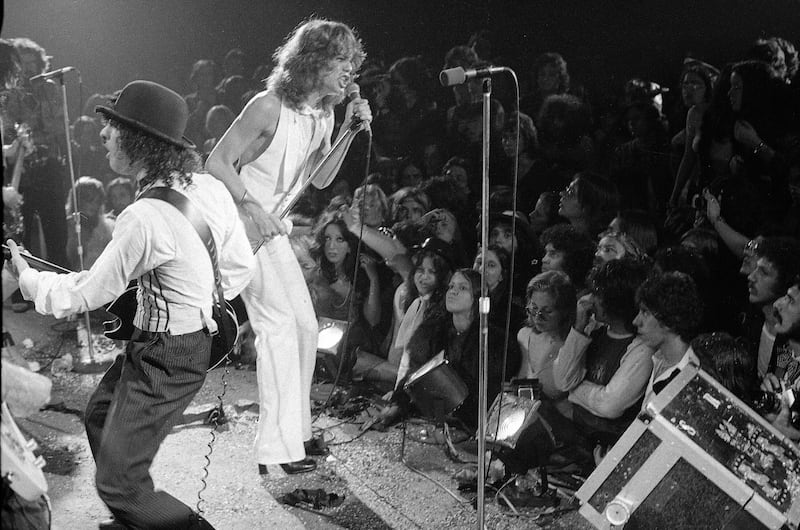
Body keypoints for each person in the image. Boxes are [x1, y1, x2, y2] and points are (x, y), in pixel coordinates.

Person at [6, 79, 254, 529]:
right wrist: (197, 300)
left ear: (139, 141)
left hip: (167, 355)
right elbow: (239, 268)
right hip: (183, 342)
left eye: (113, 127)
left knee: (118, 483)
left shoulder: (141, 217)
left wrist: (26, 277)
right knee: (99, 414)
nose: (102, 135)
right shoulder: (207, 188)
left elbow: (86, 294)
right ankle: (139, 517)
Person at [205, 18, 372, 475]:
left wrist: (350, 133)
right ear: (312, 61)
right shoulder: (267, 106)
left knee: (303, 326)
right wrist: (252, 207)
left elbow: (319, 178)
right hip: (238, 226)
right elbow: (216, 161)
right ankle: (276, 451)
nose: (348, 71)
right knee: (279, 326)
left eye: (351, 63)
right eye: (340, 61)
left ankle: (296, 434)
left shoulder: (324, 115)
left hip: (270, 230)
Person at [633, 271, 704, 407]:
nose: (635, 321)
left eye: (645, 312)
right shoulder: (658, 358)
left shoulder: (689, 378)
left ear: (669, 320)